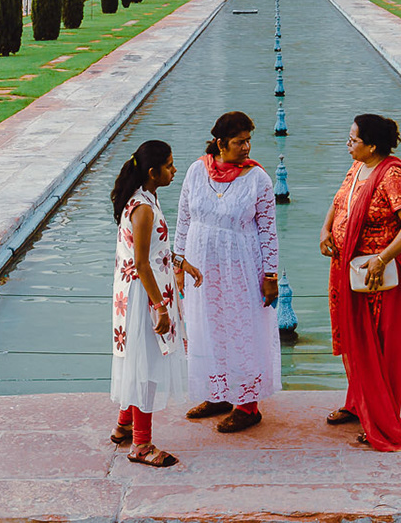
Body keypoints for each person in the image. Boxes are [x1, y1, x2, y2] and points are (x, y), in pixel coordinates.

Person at [321, 113, 401, 451]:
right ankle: (359, 404)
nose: (348, 144)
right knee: (354, 340)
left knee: (379, 347)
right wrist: (326, 230)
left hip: (377, 277)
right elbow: (341, 201)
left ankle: (381, 419)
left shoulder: (391, 175)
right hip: (347, 270)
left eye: (353, 140)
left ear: (372, 145)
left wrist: (381, 260)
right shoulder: (358, 167)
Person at [175, 112, 280, 434]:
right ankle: (217, 394)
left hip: (241, 266)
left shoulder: (257, 178)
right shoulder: (196, 171)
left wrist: (271, 275)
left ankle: (247, 406)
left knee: (241, 329)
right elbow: (183, 218)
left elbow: (268, 230)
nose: (246, 147)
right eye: (239, 142)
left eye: (249, 140)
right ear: (220, 143)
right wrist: (178, 263)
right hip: (201, 267)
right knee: (205, 325)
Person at [108, 139, 184, 468]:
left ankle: (125, 423)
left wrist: (181, 262)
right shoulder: (143, 209)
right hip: (144, 296)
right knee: (146, 366)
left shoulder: (147, 198)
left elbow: (154, 251)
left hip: (140, 291)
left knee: (137, 360)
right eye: (169, 165)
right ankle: (141, 444)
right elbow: (142, 264)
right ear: (153, 172)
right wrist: (161, 307)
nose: (174, 170)